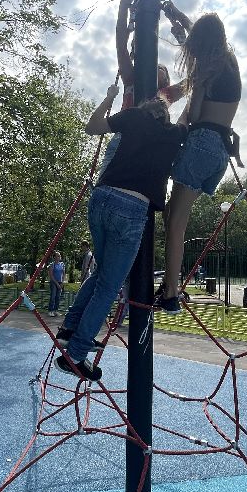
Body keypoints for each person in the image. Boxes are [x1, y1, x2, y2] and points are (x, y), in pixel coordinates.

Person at [55, 83, 185, 381]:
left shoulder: (133, 117)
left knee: (102, 274)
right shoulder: (173, 135)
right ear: (165, 117)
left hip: (101, 199)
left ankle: (69, 329)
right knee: (109, 286)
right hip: (132, 208)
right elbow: (186, 119)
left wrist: (109, 98)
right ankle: (76, 354)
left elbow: (92, 127)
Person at [158, 13, 243, 312]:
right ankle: (172, 282)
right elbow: (203, 37)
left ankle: (171, 291)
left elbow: (193, 116)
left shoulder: (205, 74)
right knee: (172, 213)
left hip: (202, 143)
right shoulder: (228, 62)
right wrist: (178, 17)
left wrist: (192, 99)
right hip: (220, 151)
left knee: (176, 221)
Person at [100, 0, 186, 175]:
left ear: (166, 79)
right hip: (124, 137)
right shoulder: (131, 79)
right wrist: (123, 7)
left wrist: (182, 37)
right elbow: (120, 45)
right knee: (107, 180)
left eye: (161, 68)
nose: (157, 68)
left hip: (150, 143)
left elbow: (195, 78)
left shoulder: (165, 95)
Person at [48, 251, 65, 317]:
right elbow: (51, 275)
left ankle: (56, 310)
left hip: (60, 282)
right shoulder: (52, 265)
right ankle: (50, 311)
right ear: (54, 257)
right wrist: (57, 284)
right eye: (57, 256)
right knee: (53, 296)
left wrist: (62, 282)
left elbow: (64, 274)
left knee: (58, 297)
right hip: (53, 282)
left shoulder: (62, 264)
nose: (59, 257)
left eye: (59, 256)